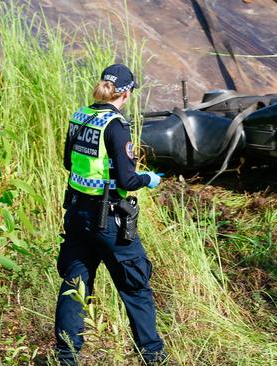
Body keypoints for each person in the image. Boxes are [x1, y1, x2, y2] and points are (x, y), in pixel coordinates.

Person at [55, 64, 166, 365]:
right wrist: (148, 179)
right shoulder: (116, 125)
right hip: (109, 219)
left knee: (74, 286)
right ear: (127, 93)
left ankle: (66, 358)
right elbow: (128, 181)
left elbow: (69, 162)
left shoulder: (81, 116)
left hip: (77, 214)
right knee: (135, 286)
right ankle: (153, 357)